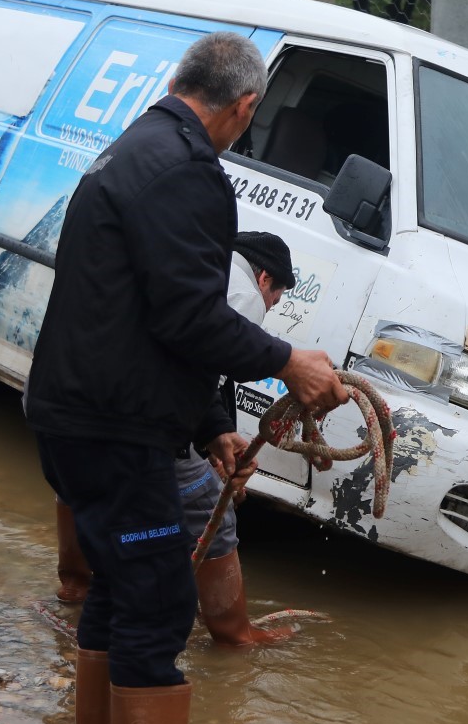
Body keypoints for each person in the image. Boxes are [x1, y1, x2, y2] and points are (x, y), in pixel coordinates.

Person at [26, 31, 346, 724]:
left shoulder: (134, 148)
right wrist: (286, 362)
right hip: (116, 427)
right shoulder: (187, 173)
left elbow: (144, 311)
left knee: (114, 597)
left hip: (79, 412)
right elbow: (187, 314)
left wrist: (208, 424)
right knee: (159, 607)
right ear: (243, 107)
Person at [54, 230, 302, 648]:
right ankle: (235, 634)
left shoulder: (192, 265)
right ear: (264, 279)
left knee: (85, 494)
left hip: (81, 400)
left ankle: (75, 588)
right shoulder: (243, 295)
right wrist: (217, 438)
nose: (270, 307)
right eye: (275, 299)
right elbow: (199, 376)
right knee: (213, 517)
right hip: (151, 416)